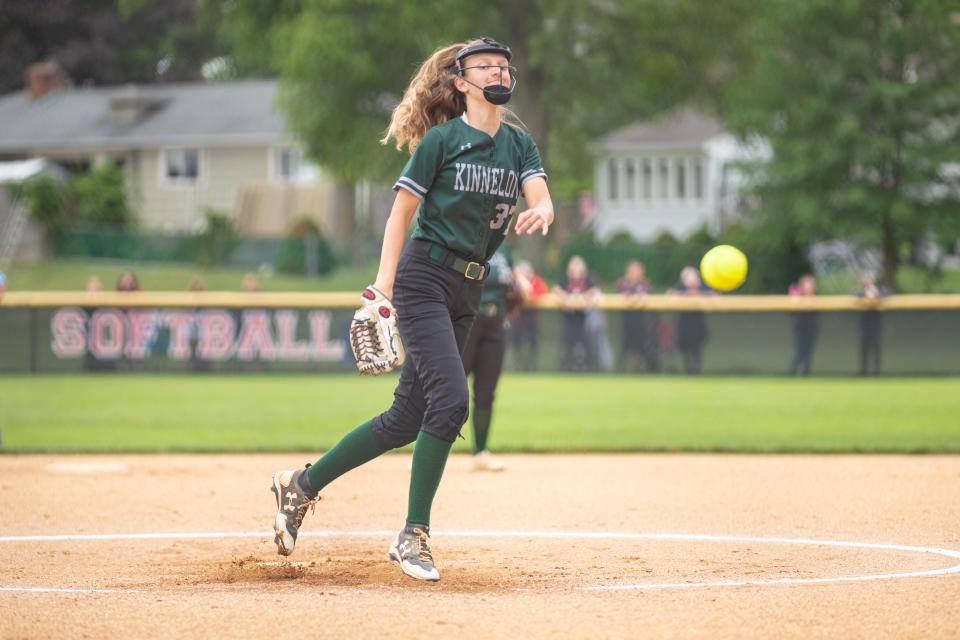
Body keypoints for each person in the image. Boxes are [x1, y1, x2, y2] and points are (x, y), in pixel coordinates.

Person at [269, 37, 553, 582]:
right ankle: (413, 534)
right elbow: (401, 213)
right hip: (424, 277)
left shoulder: (519, 144)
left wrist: (543, 209)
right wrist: (382, 286)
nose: (498, 70)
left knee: (406, 419)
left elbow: (540, 194)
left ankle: (300, 486)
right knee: (450, 401)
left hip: (470, 287)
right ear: (460, 82)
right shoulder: (442, 141)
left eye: (504, 64)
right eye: (484, 65)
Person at [460, 246, 519, 472]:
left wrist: (519, 283)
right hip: (468, 319)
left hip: (496, 323)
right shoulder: (467, 240)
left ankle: (480, 452)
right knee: (449, 388)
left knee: (486, 392)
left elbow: (511, 281)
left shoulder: (503, 249)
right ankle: (426, 451)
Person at [553, 255, 601, 371]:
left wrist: (583, 299)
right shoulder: (565, 280)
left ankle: (583, 368)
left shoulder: (587, 280)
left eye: (578, 266)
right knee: (567, 346)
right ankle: (566, 368)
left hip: (582, 320)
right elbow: (556, 289)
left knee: (583, 346)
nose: (576, 269)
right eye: (573, 266)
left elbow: (594, 290)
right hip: (568, 319)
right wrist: (567, 299)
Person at [616, 260, 659, 372]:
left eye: (638, 270)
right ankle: (620, 372)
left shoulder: (645, 284)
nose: (635, 272)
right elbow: (619, 294)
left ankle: (650, 371)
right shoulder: (622, 283)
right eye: (633, 270)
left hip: (643, 324)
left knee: (646, 349)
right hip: (627, 324)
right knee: (625, 350)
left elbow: (650, 297)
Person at [667, 266, 711, 374]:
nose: (691, 280)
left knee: (696, 348)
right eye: (687, 277)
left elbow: (715, 295)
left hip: (698, 324)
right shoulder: (680, 287)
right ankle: (687, 369)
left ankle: (697, 369)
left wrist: (697, 294)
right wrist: (686, 294)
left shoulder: (703, 287)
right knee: (685, 348)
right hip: (684, 324)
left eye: (693, 277)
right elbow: (670, 295)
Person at [509, 260, 547, 370]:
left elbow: (543, 292)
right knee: (517, 343)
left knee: (532, 343)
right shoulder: (515, 281)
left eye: (526, 271)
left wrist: (529, 297)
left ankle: (531, 366)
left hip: (532, 320)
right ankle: (518, 365)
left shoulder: (536, 281)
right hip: (517, 320)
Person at [856, 273, 889, 376]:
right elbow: (852, 295)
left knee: (876, 348)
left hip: (876, 325)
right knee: (864, 348)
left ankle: (877, 371)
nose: (866, 282)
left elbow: (890, 293)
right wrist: (865, 293)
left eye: (868, 280)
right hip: (864, 325)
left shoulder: (880, 291)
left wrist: (876, 294)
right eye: (864, 281)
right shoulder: (860, 293)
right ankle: (863, 370)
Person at [789, 274, 820, 375]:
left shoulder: (816, 299)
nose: (807, 287)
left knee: (809, 353)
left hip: (812, 329)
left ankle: (806, 372)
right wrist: (794, 301)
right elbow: (791, 313)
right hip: (800, 329)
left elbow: (819, 314)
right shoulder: (797, 299)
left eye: (809, 284)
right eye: (805, 284)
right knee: (800, 351)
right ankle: (792, 371)